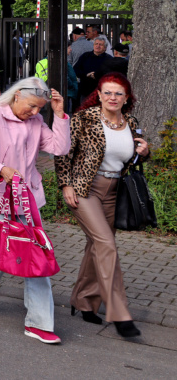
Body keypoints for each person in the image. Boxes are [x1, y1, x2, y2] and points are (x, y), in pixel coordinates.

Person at [0, 77, 69, 344]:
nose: (35, 113)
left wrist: (59, 115)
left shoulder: (36, 121)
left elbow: (60, 147)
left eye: (40, 109)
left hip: (28, 199)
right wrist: (1, 170)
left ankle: (39, 323)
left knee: (36, 255)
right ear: (17, 96)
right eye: (32, 106)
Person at [57, 73, 149, 338]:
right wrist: (66, 185)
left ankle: (84, 301)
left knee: (96, 246)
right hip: (85, 190)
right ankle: (120, 314)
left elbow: (132, 159)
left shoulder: (130, 122)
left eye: (118, 93)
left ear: (126, 98)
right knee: (106, 244)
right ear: (98, 94)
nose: (112, 97)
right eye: (107, 92)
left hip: (114, 193)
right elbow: (64, 152)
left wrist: (144, 152)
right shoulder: (83, 119)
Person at [74, 36, 112, 101]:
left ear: (105, 48)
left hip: (102, 91)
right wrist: (86, 75)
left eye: (101, 44)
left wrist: (97, 76)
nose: (98, 46)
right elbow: (76, 69)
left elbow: (110, 74)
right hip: (85, 90)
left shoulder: (109, 59)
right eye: (96, 44)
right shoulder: (85, 56)